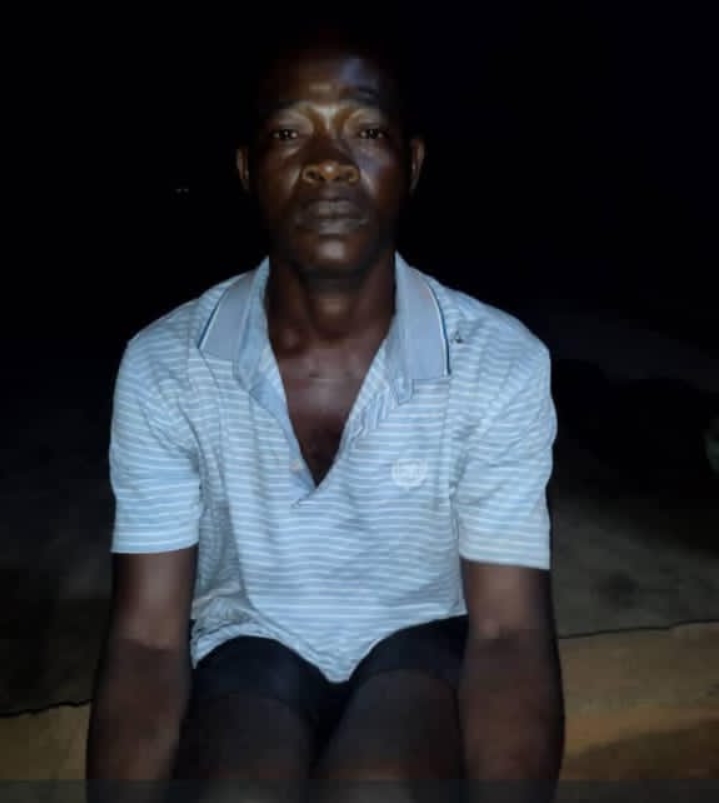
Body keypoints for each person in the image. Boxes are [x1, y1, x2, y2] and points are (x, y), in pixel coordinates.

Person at [87, 15, 565, 803]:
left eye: (365, 130)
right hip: (248, 642)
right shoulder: (167, 364)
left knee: (377, 784)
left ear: (410, 164)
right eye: (288, 134)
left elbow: (509, 631)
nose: (327, 163)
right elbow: (145, 638)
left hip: (420, 637)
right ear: (247, 170)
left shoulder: (496, 361)